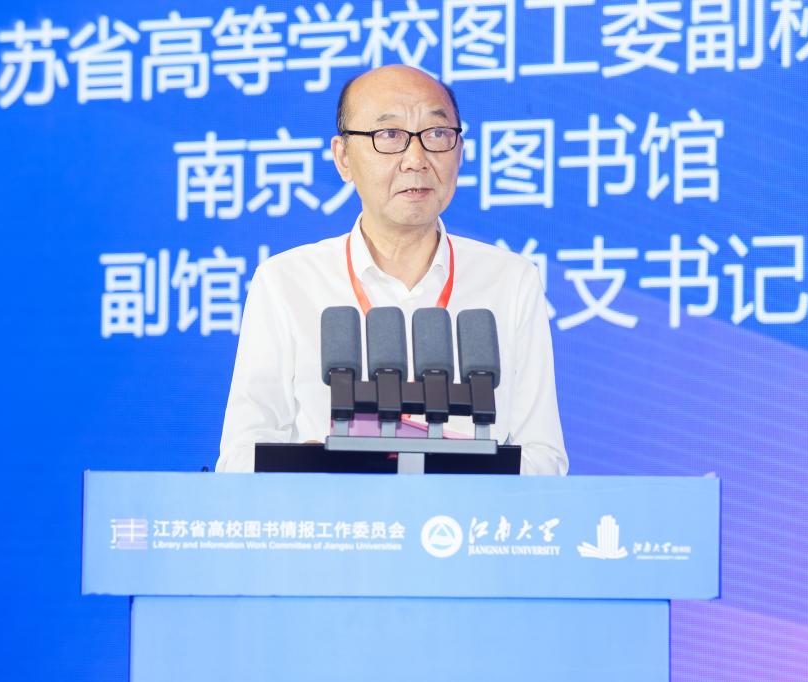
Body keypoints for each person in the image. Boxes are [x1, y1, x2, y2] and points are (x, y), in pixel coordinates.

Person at [217, 65, 567, 475]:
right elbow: (240, 459)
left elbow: (543, 457)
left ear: (460, 151)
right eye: (389, 135)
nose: (416, 160)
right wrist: (310, 466)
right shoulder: (286, 282)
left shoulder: (510, 280)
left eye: (437, 134)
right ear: (343, 158)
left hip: (466, 516)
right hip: (335, 514)